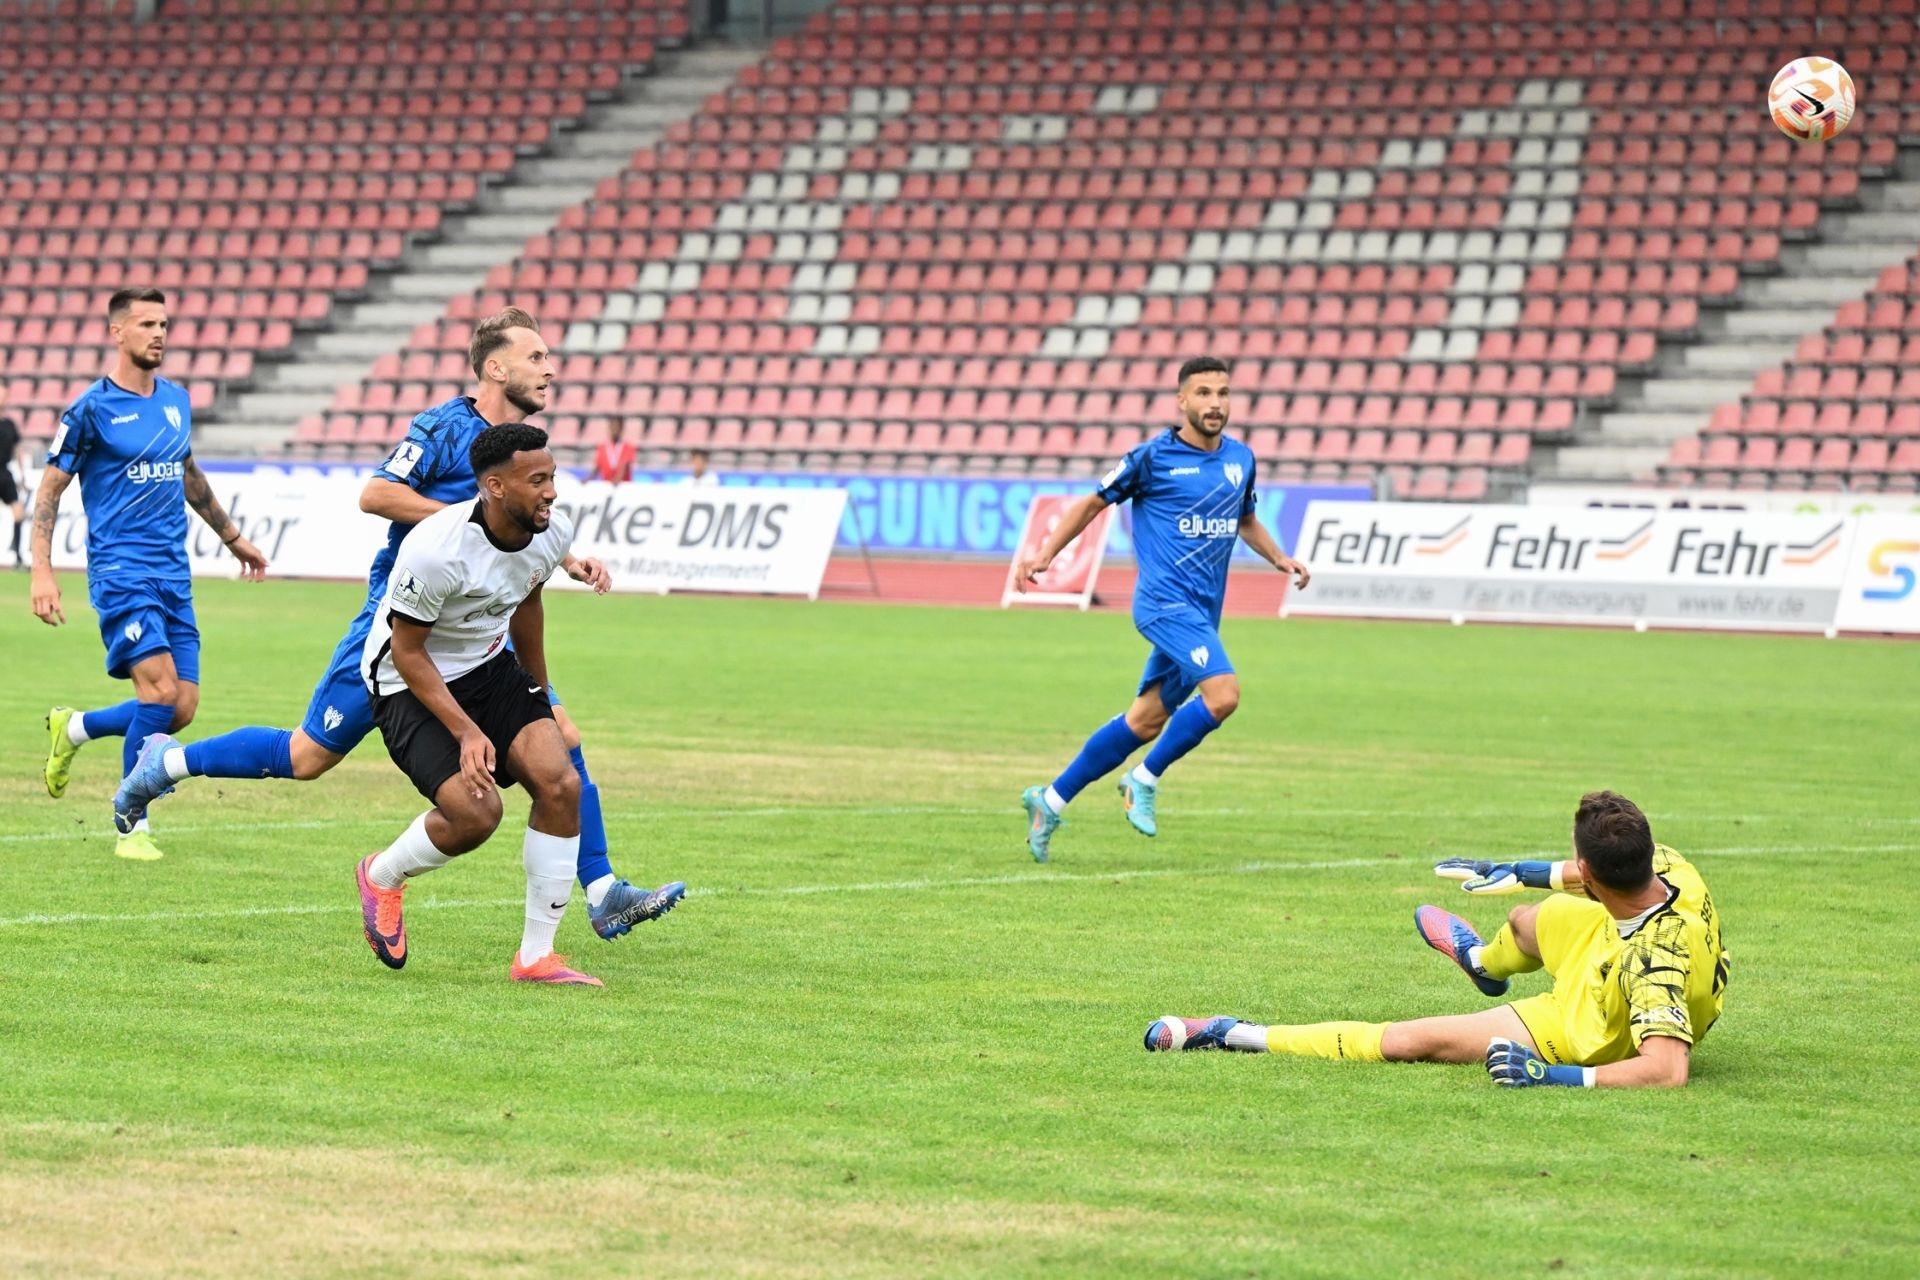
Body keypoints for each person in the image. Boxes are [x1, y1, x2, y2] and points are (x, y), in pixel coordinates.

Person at [114, 308, 683, 936]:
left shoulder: (523, 454)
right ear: (496, 368)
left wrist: (564, 555)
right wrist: (464, 518)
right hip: (400, 625)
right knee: (307, 757)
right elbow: (377, 493)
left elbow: (514, 534)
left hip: (476, 637)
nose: (551, 370)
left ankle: (602, 887)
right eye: (538, 358)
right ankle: (166, 764)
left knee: (560, 740)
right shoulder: (444, 427)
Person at [1145, 792, 1729, 1089]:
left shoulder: (1656, 966)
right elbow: (1586, 874)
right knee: (1531, 917)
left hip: (1596, 1019)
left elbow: (1667, 1070)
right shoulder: (1670, 866)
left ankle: (1234, 1033)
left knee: (1410, 1041)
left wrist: (1553, 1077)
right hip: (1608, 938)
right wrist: (1517, 868)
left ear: (1593, 874)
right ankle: (1483, 961)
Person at [1013, 356, 1310, 861]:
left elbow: (1245, 520)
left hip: (1201, 612)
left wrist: (1280, 557)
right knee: (1223, 694)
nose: (1215, 403)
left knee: (1145, 721)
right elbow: (1091, 503)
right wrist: (1045, 553)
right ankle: (1143, 779)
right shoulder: (1151, 458)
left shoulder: (1241, 459)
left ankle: (1051, 799)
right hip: (1162, 604)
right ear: (1182, 401)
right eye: (1203, 393)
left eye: (1222, 392)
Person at [353, 423, 604, 984]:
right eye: (537, 480)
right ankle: (382, 876)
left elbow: (528, 606)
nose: (552, 492)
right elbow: (408, 651)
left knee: (561, 786)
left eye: (553, 477)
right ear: (494, 486)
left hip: (488, 668)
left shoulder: (550, 532)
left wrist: (542, 695)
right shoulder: (435, 549)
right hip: (406, 683)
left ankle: (536, 957)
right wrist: (467, 732)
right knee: (476, 815)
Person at [29, 286, 270, 861]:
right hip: (120, 572)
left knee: (179, 707)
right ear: (117, 333)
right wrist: (41, 570)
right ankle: (130, 821)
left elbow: (188, 474)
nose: (158, 333)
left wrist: (234, 539)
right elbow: (50, 490)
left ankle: (76, 727)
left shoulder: (176, 401)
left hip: (173, 574)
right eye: (145, 324)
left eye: (163, 323)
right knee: (158, 691)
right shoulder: (90, 409)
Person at [0, 384, 28, 569]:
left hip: (4, 472)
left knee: (19, 513)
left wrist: (23, 475)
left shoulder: (9, 424)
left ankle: (18, 558)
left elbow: (18, 450)